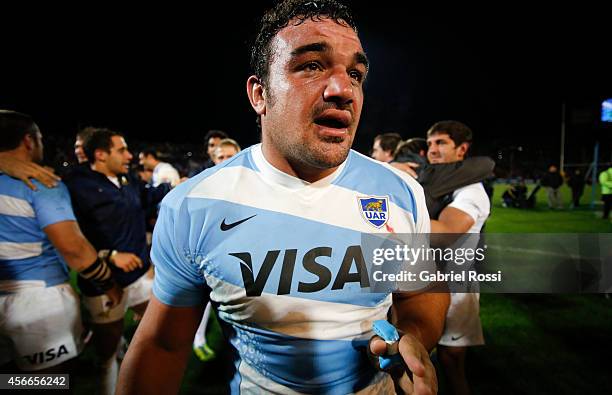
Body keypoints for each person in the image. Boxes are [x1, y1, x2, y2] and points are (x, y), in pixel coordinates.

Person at [117, 1, 449, 394]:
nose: (343, 89)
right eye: (311, 66)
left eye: (355, 73)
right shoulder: (196, 204)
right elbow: (164, 344)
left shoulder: (400, 192)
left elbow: (420, 294)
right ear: (260, 94)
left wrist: (411, 337)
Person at [0, 110, 122, 372]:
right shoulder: (42, 183)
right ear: (29, 141)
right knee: (52, 381)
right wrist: (109, 285)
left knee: (9, 379)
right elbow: (74, 249)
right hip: (37, 302)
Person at [64, 128, 159, 395]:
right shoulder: (75, 186)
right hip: (103, 283)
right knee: (106, 353)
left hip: (140, 276)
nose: (130, 155)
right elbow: (69, 237)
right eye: (122, 150)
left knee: (156, 332)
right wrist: (109, 255)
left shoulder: (127, 179)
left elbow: (149, 199)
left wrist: (181, 184)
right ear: (101, 155)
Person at [426, 120, 490, 395]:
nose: (432, 150)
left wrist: (390, 219)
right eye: (429, 144)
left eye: (440, 143)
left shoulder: (471, 191)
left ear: (462, 149)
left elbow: (447, 232)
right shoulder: (439, 183)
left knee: (451, 361)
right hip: (430, 281)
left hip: (457, 286)